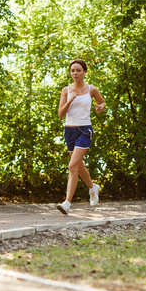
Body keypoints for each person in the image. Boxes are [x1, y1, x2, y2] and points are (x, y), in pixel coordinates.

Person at [56, 59, 106, 214]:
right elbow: (60, 114)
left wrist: (99, 108)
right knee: (77, 165)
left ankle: (67, 203)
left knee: (72, 166)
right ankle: (93, 187)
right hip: (69, 130)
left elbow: (102, 102)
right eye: (72, 71)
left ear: (84, 72)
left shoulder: (92, 89)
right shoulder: (66, 90)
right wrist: (70, 99)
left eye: (78, 70)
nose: (75, 73)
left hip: (84, 130)